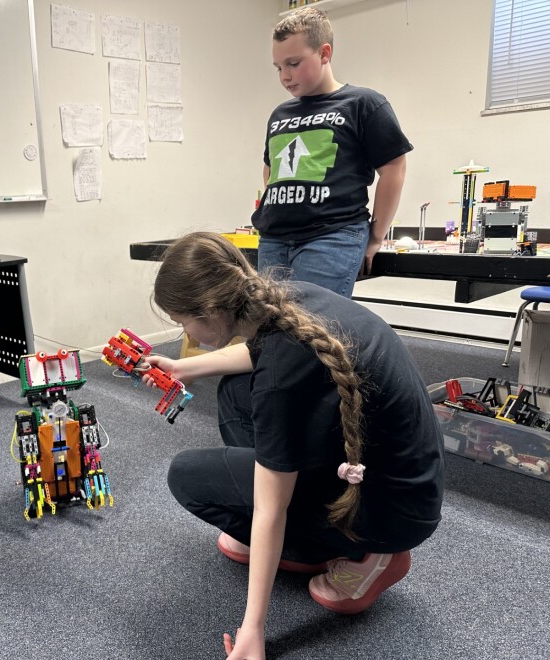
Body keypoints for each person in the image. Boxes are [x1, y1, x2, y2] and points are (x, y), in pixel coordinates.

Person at [144, 232, 444, 659]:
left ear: (210, 311)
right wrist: (182, 367)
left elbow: (270, 510)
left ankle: (365, 555)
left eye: (182, 322)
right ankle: (312, 538)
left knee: (187, 475)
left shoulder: (281, 378)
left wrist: (253, 631)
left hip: (389, 516)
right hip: (406, 483)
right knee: (233, 392)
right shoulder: (288, 301)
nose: (183, 331)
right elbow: (256, 354)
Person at [251, 7, 412, 298]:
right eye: (278, 67)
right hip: (275, 237)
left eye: (294, 63)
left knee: (314, 328)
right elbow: (270, 167)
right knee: (271, 324)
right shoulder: (280, 113)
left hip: (331, 235)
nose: (285, 76)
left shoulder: (363, 103)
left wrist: (376, 235)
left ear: (324, 53)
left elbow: (394, 168)